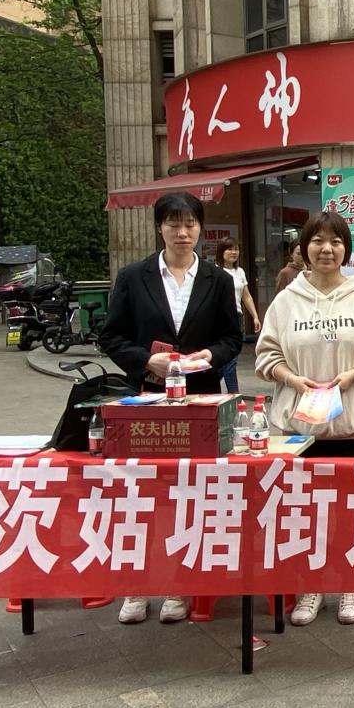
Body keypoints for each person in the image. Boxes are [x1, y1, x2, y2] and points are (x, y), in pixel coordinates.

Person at [255, 210, 354, 626]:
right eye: (318, 241)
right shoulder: (287, 300)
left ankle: (350, 584)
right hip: (300, 428)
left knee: (351, 507)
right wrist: (293, 380)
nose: (327, 249)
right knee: (305, 508)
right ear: (304, 248)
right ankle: (312, 585)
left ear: (346, 249)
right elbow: (266, 355)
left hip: (353, 423)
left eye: (336, 241)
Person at [98, 191, 242, 625]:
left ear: (200, 227)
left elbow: (232, 338)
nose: (183, 232)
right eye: (173, 224)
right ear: (159, 227)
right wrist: (147, 361)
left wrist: (209, 356)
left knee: (190, 495)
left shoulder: (218, 280)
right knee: (142, 495)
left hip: (201, 403)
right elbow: (111, 337)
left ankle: (180, 585)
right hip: (148, 402)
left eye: (190, 223)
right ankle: (137, 587)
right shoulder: (133, 277)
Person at [215, 238, 262, 393]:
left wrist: (255, 316)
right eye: (229, 249)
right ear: (221, 252)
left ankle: (211, 386)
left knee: (231, 357)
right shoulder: (215, 271)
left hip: (237, 317)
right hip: (219, 319)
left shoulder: (240, 272)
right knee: (230, 358)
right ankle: (234, 394)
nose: (234, 252)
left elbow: (246, 296)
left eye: (236, 249)